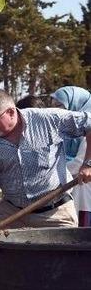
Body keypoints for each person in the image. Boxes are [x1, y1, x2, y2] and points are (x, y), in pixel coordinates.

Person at [0, 88, 91, 233]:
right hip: (12, 213)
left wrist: (88, 163)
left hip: (55, 214)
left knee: (65, 248)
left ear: (10, 112)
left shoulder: (48, 120)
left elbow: (89, 124)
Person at [52, 87, 91, 226]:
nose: (56, 110)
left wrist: (52, 172)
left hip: (84, 187)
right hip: (70, 184)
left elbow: (79, 163)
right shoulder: (64, 130)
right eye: (53, 106)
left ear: (75, 104)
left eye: (59, 105)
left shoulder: (88, 128)